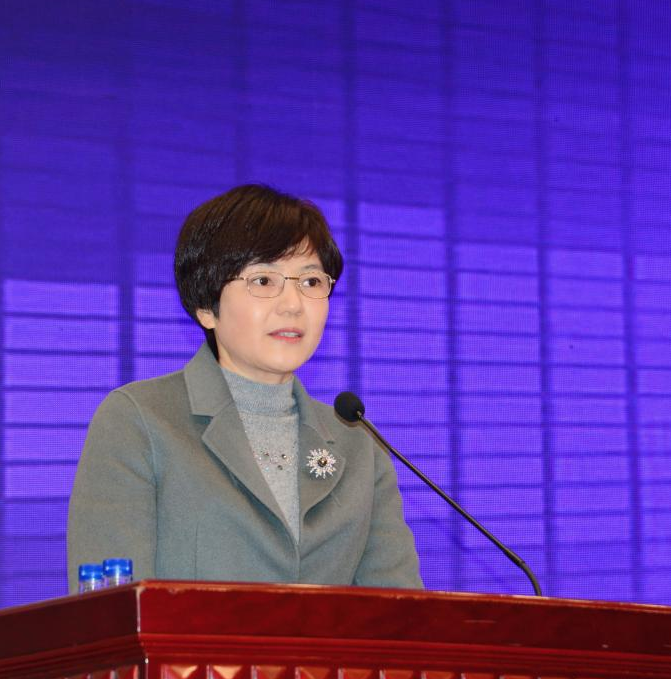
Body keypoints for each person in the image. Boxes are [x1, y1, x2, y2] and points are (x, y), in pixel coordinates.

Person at [66, 184, 423, 592]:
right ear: (206, 306)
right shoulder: (140, 421)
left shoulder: (358, 444)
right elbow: (113, 612)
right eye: (264, 280)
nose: (293, 304)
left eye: (311, 282)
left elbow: (401, 611)